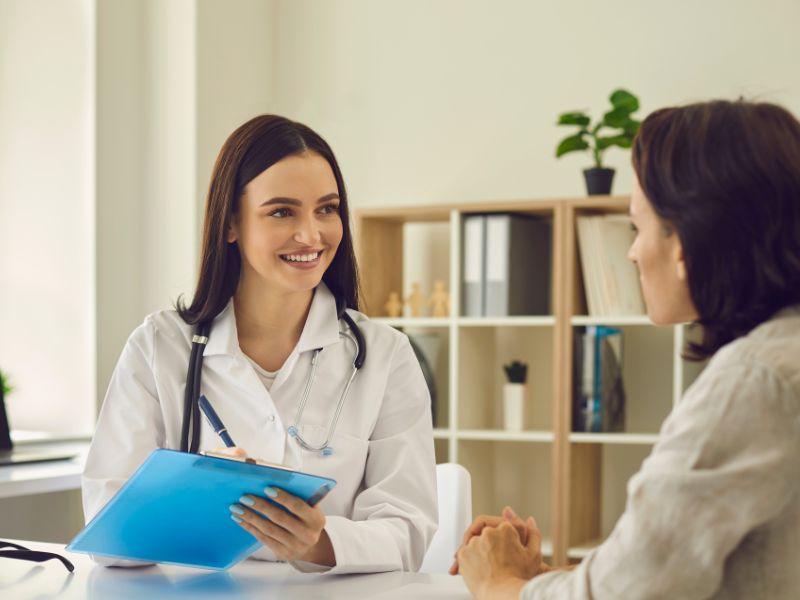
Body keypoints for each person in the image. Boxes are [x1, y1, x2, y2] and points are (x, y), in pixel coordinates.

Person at [453, 99, 800, 599]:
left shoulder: (752, 383)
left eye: (637, 228)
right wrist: (542, 580)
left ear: (682, 243)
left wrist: (500, 583)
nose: (632, 252)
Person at [82, 115, 437, 574]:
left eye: (326, 209)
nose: (311, 234)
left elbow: (409, 530)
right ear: (231, 224)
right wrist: (195, 493)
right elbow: (108, 541)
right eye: (282, 211)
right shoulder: (159, 347)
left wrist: (317, 541)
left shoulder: (385, 356)